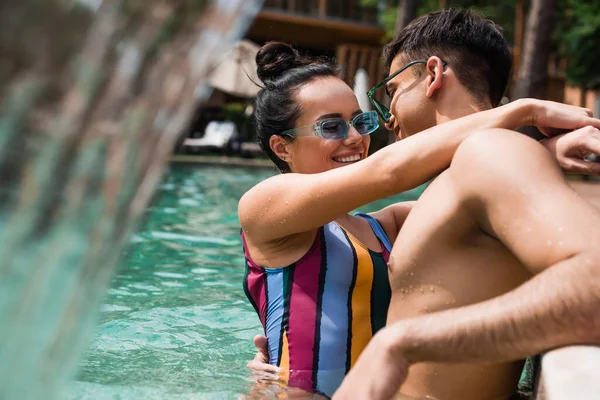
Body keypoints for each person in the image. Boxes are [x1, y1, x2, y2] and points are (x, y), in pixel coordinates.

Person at [239, 40, 600, 398]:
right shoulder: (262, 206)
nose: (355, 138)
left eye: (360, 122)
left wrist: (544, 152)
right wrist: (524, 111)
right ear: (282, 147)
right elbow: (390, 169)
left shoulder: (384, 227)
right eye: (331, 127)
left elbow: (466, 195)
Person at [332, 9, 600, 400]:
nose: (388, 117)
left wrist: (404, 344)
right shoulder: (467, 170)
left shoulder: (489, 151)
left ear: (433, 74)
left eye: (392, 90)